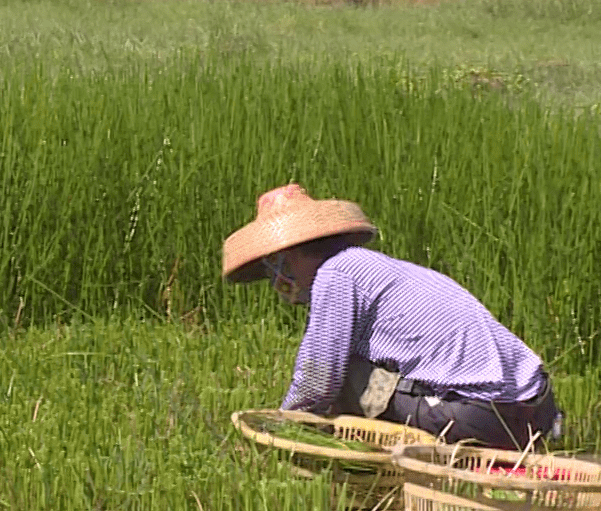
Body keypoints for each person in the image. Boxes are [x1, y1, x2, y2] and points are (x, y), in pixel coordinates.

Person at [221, 184, 560, 449]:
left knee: (350, 373)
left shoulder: (336, 275)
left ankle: (359, 478)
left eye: (274, 266)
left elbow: (317, 382)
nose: (277, 279)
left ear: (290, 254)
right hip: (537, 408)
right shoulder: (373, 268)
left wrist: (282, 429)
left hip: (485, 415)